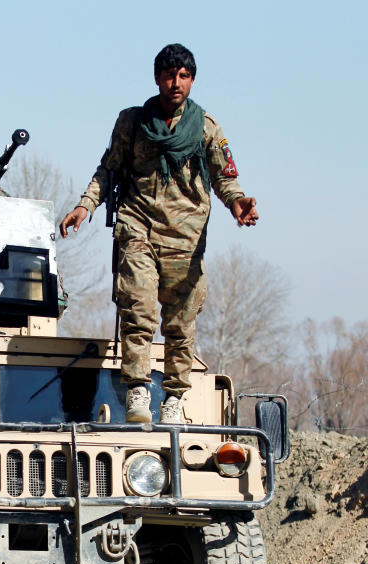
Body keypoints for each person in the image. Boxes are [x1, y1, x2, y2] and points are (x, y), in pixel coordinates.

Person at [60, 43, 258, 424]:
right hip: (139, 227)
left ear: (192, 80)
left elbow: (224, 178)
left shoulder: (206, 127)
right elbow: (108, 169)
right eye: (169, 75)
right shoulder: (133, 122)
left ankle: (173, 398)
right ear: (157, 78)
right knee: (139, 308)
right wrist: (85, 205)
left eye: (183, 76)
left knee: (181, 324)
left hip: (186, 238)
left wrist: (238, 206)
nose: (175, 83)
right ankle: (137, 390)